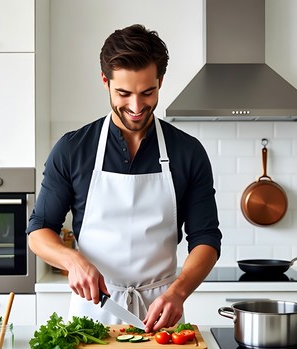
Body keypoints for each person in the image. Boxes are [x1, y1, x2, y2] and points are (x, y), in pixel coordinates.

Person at [27, 24, 222, 332]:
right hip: (91, 315)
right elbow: (39, 232)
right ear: (105, 81)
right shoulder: (73, 149)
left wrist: (179, 292)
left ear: (160, 81)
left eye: (148, 92)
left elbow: (206, 240)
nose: (135, 106)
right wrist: (74, 262)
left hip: (162, 316)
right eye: (123, 93)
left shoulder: (188, 152)